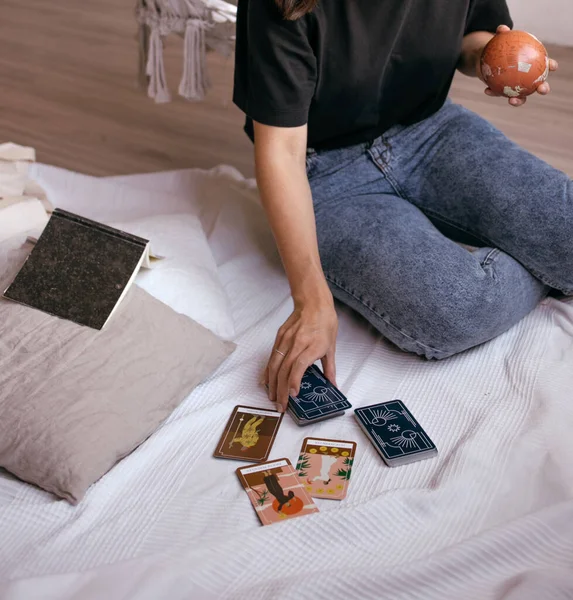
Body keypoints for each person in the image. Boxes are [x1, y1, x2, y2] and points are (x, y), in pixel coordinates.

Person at [233, 0, 566, 413]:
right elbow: (281, 150)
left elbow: (471, 33)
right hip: (323, 170)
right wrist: (311, 300)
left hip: (429, 128)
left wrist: (488, 58)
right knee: (458, 310)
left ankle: (532, 256)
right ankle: (533, 263)